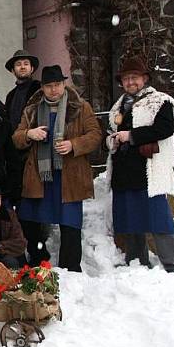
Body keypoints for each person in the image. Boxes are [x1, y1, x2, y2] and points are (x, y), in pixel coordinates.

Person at [13, 65, 102, 272]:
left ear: (64, 84)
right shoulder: (32, 108)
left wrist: (74, 144)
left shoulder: (80, 107)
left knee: (70, 223)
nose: (54, 90)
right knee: (32, 220)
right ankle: (38, 259)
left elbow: (95, 135)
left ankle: (70, 268)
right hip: (40, 176)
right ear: (42, 88)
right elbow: (16, 138)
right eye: (49, 86)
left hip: (69, 176)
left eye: (58, 85)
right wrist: (29, 134)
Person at [106, 58, 174, 271]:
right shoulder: (118, 105)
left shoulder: (160, 101)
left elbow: (165, 129)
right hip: (124, 169)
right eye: (126, 79)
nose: (130, 82)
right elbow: (110, 131)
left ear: (144, 79)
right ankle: (137, 259)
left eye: (134, 78)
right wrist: (111, 140)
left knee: (158, 216)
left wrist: (131, 135)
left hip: (148, 168)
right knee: (131, 215)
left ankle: (172, 260)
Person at [4, 49, 41, 131]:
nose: (23, 67)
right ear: (13, 71)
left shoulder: (39, 88)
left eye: (26, 64)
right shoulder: (10, 95)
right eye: (18, 64)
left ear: (32, 69)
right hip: (14, 141)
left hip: (37, 139)